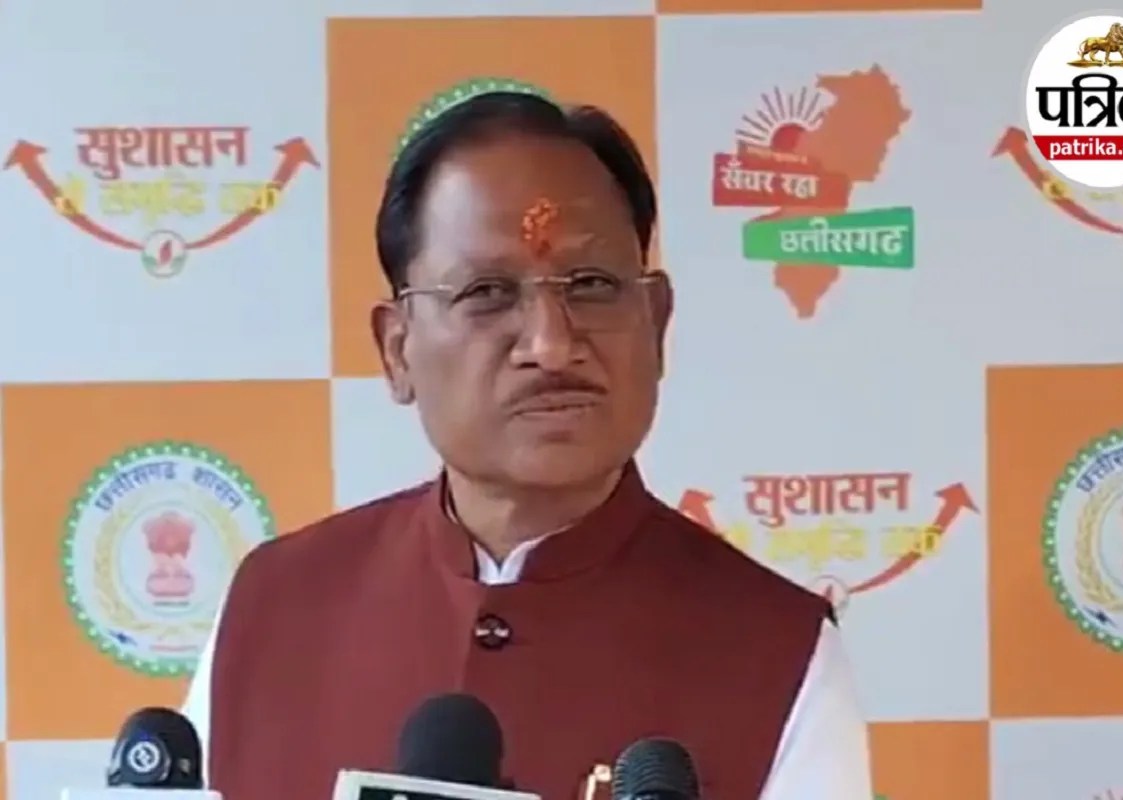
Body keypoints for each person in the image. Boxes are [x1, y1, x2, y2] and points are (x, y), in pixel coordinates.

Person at [181, 88, 872, 800]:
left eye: (591, 284)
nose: (551, 344)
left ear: (656, 323)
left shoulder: (774, 648)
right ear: (397, 349)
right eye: (487, 292)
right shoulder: (272, 608)